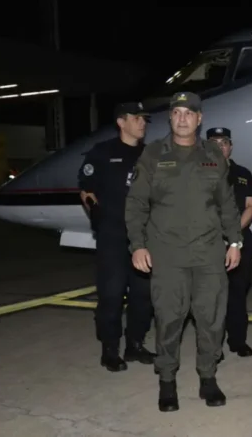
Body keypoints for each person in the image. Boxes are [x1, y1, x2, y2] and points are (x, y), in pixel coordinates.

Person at [124, 92, 242, 412]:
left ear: (199, 118)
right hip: (167, 254)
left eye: (189, 113)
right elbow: (136, 204)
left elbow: (226, 203)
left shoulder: (213, 155)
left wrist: (235, 241)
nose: (182, 119)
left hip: (209, 253)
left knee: (211, 319)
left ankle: (208, 377)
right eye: (176, 113)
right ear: (170, 117)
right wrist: (138, 245)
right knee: (169, 319)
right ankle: (167, 380)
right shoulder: (152, 154)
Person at [77, 101, 155, 373]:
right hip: (113, 236)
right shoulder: (102, 152)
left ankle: (135, 345)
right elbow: (86, 190)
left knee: (143, 296)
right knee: (111, 294)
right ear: (121, 122)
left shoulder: (151, 155)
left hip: (144, 238)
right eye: (137, 118)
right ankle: (110, 350)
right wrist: (97, 215)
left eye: (144, 119)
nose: (143, 123)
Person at [206, 126, 252, 358]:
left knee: (237, 292)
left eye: (224, 143)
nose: (220, 147)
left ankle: (238, 341)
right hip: (209, 241)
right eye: (214, 143)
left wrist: (233, 233)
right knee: (211, 296)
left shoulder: (243, 174)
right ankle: (212, 345)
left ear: (231, 147)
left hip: (239, 240)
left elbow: (251, 206)